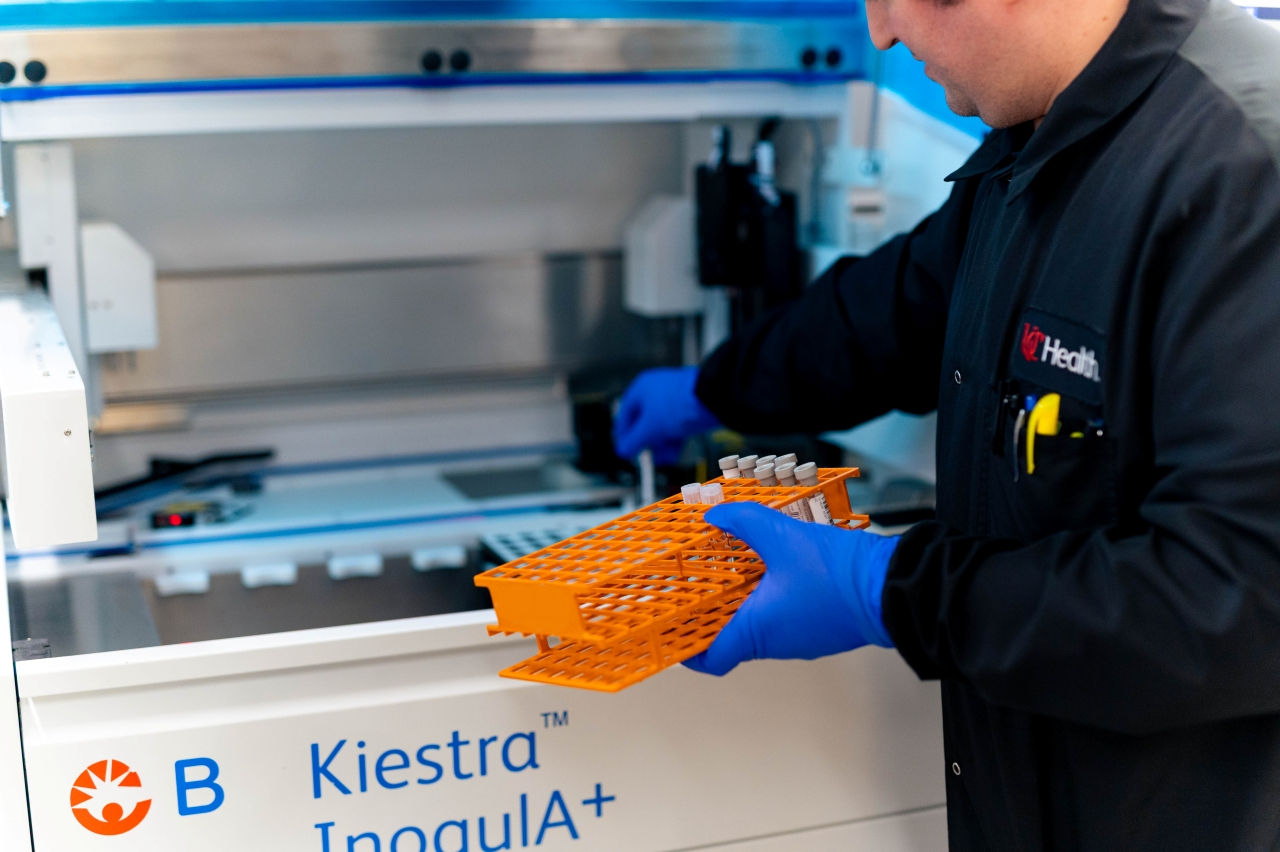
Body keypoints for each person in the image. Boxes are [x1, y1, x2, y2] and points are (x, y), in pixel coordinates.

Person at [612, 0, 1280, 847]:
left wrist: (888, 589)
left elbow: (1237, 601)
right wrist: (716, 388)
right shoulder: (1051, 134)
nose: (881, 32)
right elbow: (899, 308)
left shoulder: (1246, 170)